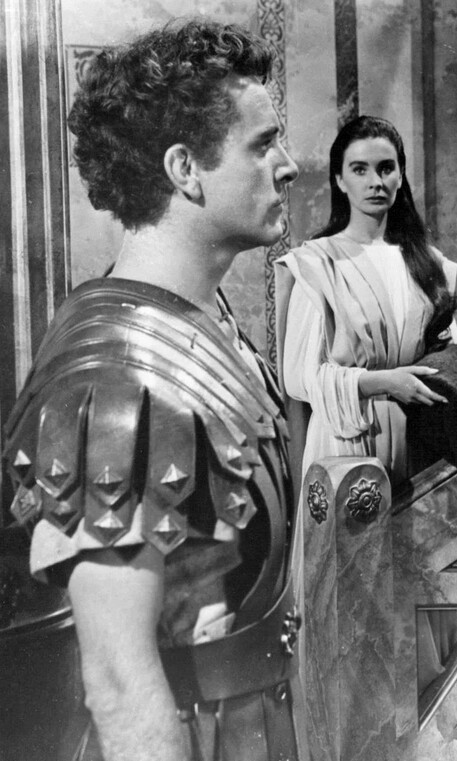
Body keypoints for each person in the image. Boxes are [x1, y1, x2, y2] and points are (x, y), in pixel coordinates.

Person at [2, 19, 302, 761]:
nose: (288, 165)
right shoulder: (113, 379)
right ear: (184, 168)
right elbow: (116, 681)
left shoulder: (199, 319)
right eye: (263, 144)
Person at [274, 115, 457, 690]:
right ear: (339, 179)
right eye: (360, 169)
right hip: (346, 442)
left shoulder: (428, 264)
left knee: (413, 592)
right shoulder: (317, 263)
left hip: (415, 442)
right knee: (352, 603)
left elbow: (452, 359)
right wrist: (384, 383)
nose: (375, 181)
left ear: (401, 176)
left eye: (386, 168)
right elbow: (301, 375)